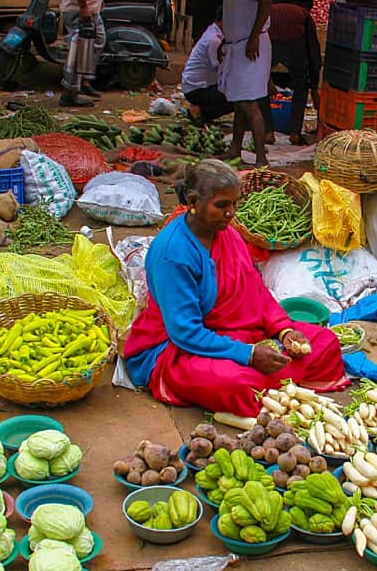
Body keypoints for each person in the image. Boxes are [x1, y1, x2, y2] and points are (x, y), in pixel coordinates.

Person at [121, 160, 347, 417]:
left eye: (234, 203)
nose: (231, 213)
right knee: (238, 383)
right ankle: (277, 389)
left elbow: (256, 291)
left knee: (325, 342)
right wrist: (248, 354)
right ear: (193, 202)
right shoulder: (172, 253)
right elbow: (185, 331)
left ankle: (279, 388)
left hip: (242, 329)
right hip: (181, 346)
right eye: (222, 205)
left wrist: (284, 330)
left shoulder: (228, 234)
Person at [219, 0, 273, 167]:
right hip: (237, 43)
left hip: (250, 43)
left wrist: (254, 37)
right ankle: (235, 149)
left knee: (250, 103)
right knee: (239, 102)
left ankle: (261, 159)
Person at [266, 0, 321, 145]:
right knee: (300, 87)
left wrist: (266, 76)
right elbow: (313, 52)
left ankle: (268, 132)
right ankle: (295, 133)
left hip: (269, 45)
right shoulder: (304, 15)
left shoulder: (269, 9)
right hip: (295, 47)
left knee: (260, 87)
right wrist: (314, 86)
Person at [59, 0, 105, 108]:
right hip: (78, 9)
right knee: (78, 51)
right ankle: (69, 93)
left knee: (98, 41)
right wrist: (84, 7)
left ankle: (83, 81)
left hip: (90, 7)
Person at [182, 10, 232, 124]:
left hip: (200, 85)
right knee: (235, 96)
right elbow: (219, 69)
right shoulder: (214, 40)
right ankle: (200, 111)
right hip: (196, 88)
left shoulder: (215, 33)